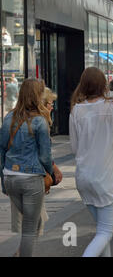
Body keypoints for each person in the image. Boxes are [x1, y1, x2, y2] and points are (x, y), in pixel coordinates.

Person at [70, 67, 113, 257]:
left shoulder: (76, 110)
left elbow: (75, 149)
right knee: (105, 232)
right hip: (105, 178)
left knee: (101, 230)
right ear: (103, 84)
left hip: (83, 179)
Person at [0, 79, 56, 257]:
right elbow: (45, 156)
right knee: (30, 228)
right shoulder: (40, 121)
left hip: (10, 177)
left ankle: (18, 254)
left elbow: (1, 150)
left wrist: (3, 181)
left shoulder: (9, 117)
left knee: (34, 222)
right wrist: (52, 174)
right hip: (30, 178)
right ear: (37, 96)